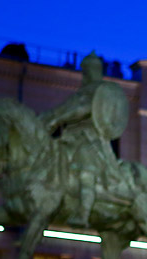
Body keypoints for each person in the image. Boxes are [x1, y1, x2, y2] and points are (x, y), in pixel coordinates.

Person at [41, 52, 127, 227]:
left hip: (90, 140)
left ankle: (83, 213)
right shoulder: (81, 91)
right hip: (69, 138)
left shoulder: (101, 90)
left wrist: (58, 120)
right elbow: (64, 108)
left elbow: (82, 109)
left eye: (87, 70)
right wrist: (46, 118)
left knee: (85, 171)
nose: (84, 74)